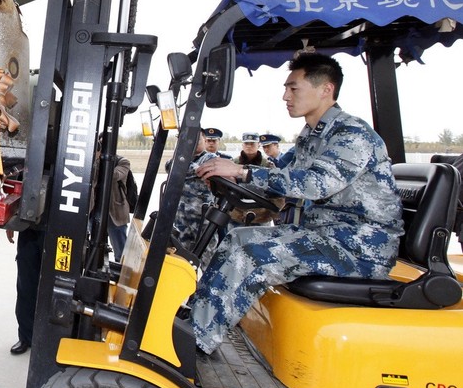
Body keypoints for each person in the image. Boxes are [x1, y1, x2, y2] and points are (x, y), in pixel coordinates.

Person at [192, 52, 403, 355]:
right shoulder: (312, 136)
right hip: (326, 240)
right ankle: (194, 325)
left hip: (356, 248)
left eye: (294, 88)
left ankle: (196, 342)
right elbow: (282, 176)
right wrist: (230, 175)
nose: (285, 96)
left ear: (325, 89)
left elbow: (315, 184)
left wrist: (242, 170)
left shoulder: (351, 134)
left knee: (252, 252)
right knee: (236, 237)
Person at [170, 130, 217, 265]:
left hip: (202, 216)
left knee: (206, 253)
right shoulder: (179, 158)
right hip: (181, 216)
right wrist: (190, 168)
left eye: (198, 139)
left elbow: (201, 169)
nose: (194, 143)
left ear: (204, 140)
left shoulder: (210, 158)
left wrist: (183, 168)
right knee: (181, 252)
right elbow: (170, 166)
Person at [227, 133, 283, 228]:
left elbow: (276, 191)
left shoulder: (268, 165)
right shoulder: (232, 164)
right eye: (246, 143)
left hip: (261, 216)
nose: (249, 146)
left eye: (252, 144)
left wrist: (274, 213)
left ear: (258, 145)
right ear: (242, 145)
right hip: (236, 215)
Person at [6, 227, 45, 355]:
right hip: (30, 226)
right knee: (26, 285)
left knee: (53, 287)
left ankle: (50, 339)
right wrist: (11, 223)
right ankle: (26, 337)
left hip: (62, 226)